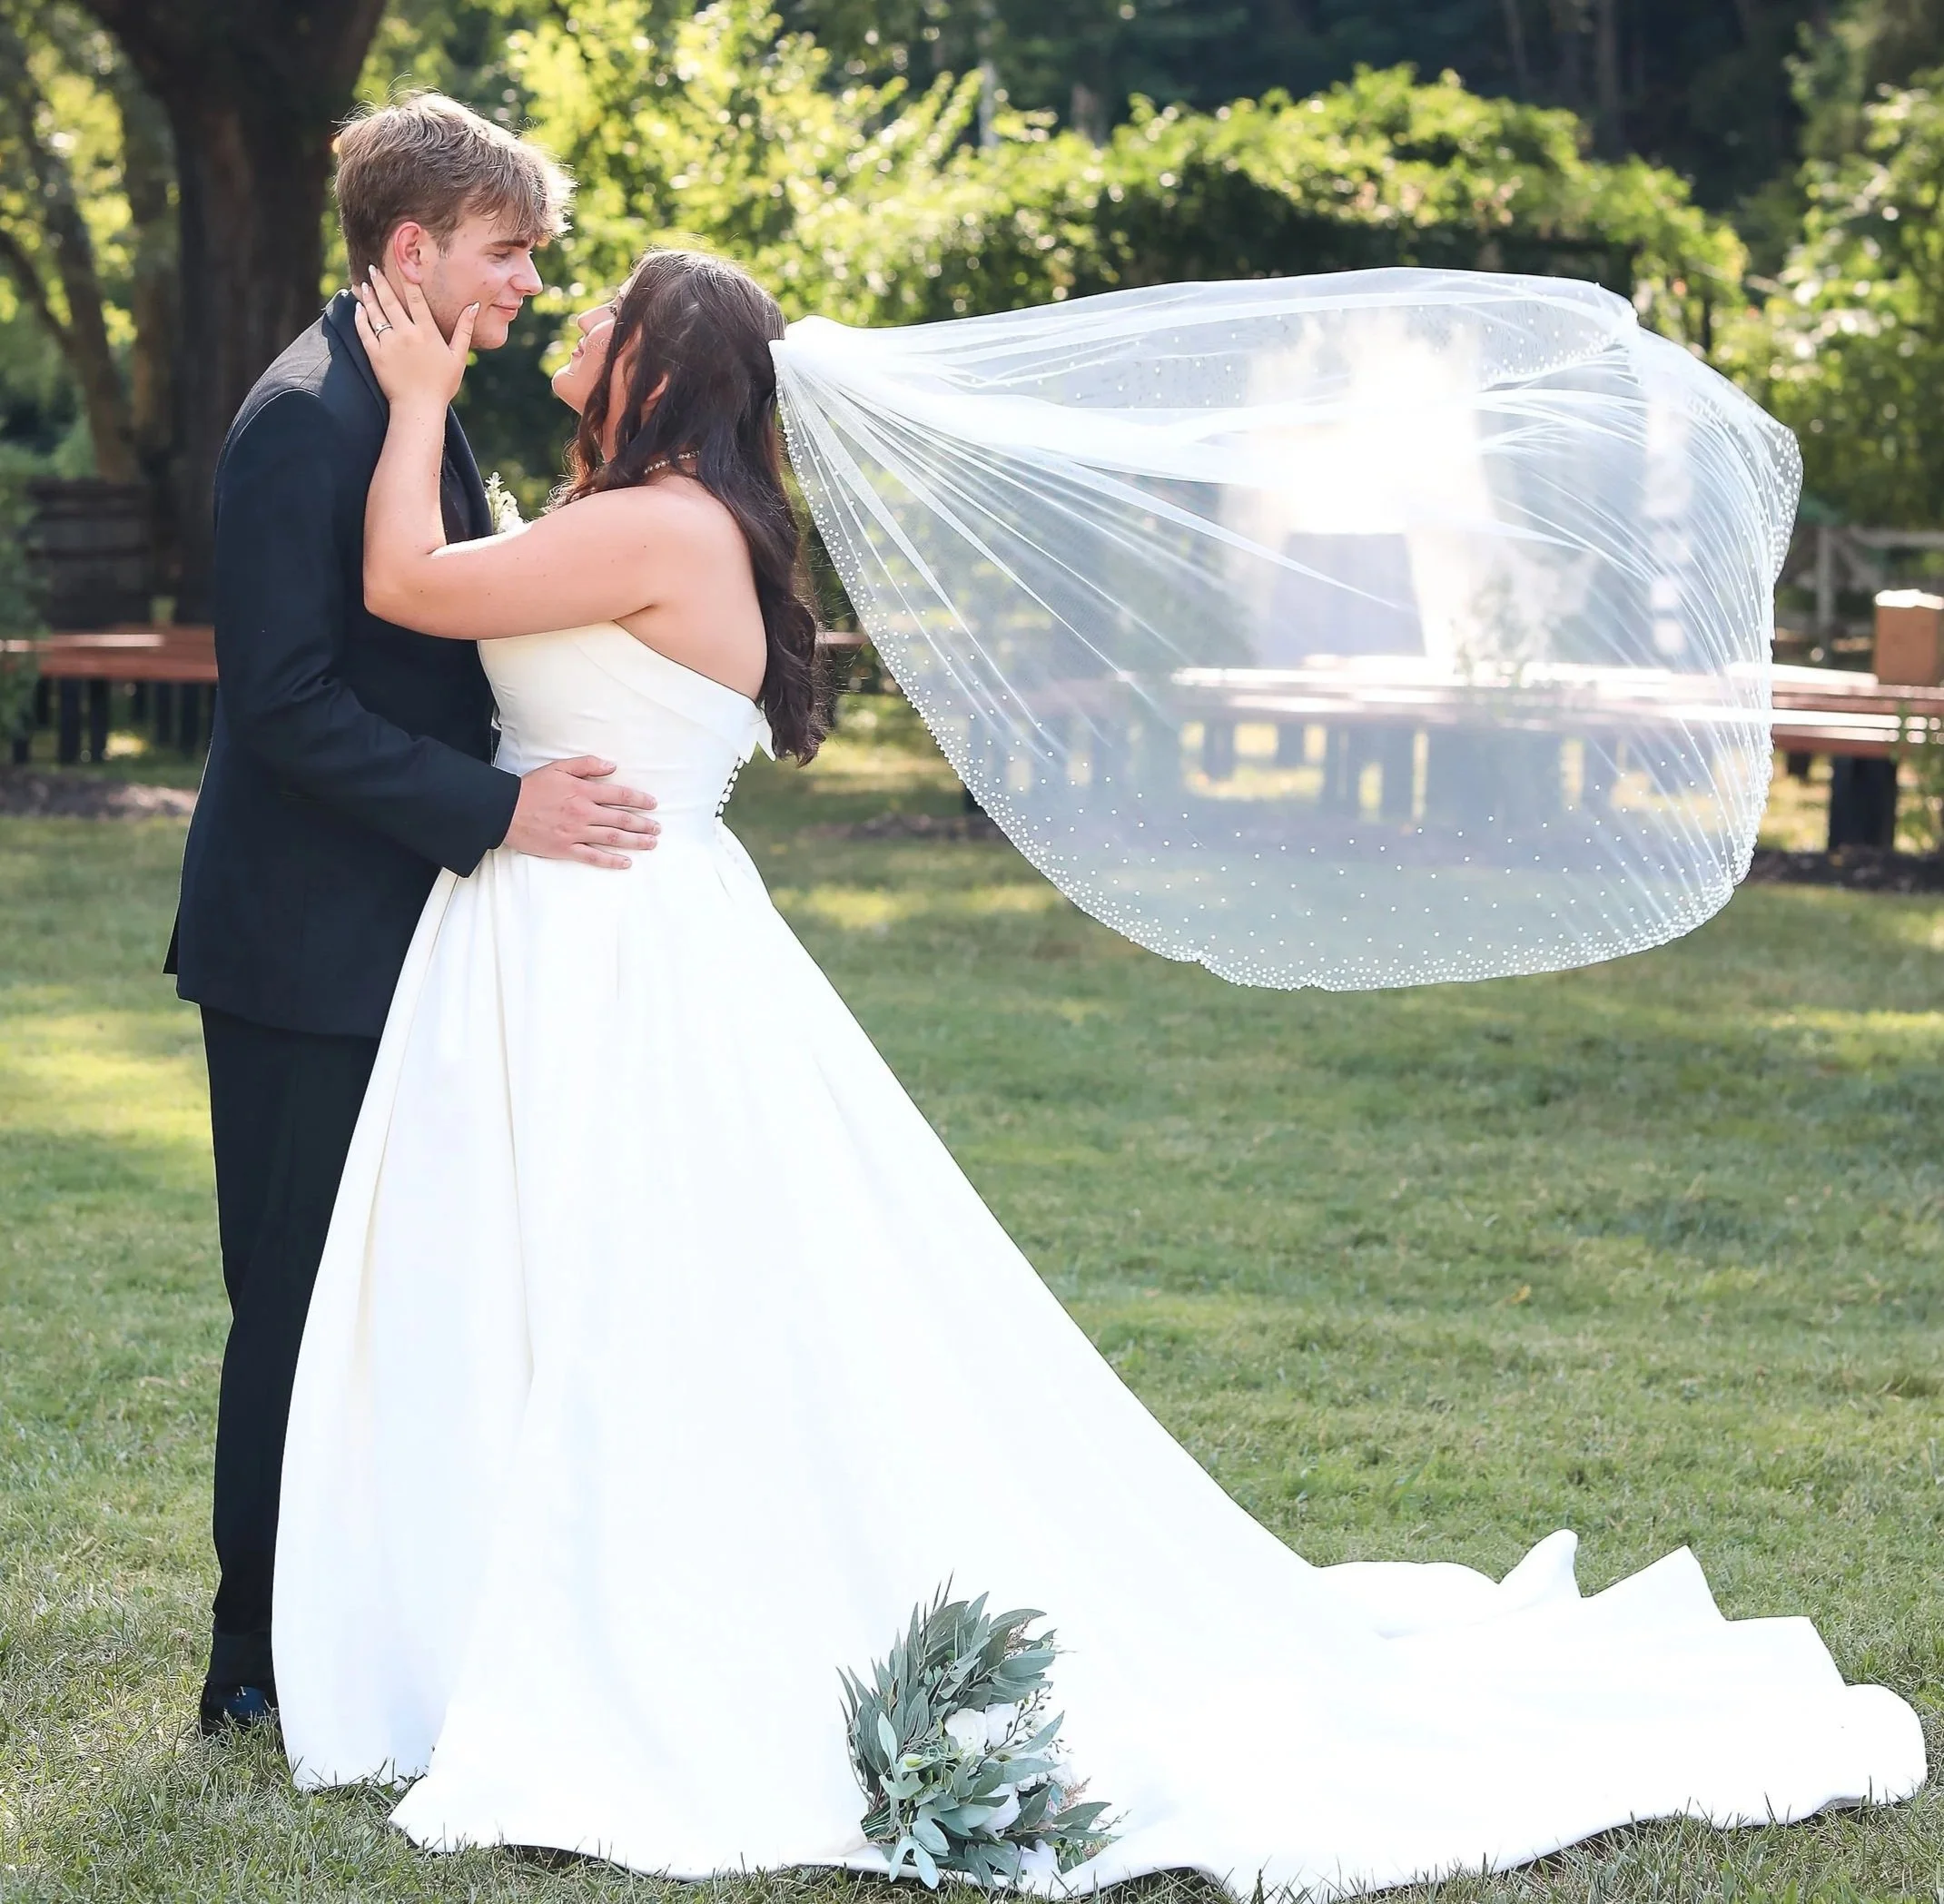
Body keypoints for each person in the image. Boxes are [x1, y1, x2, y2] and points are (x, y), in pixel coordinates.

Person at [265, 243, 1924, 1897]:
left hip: (613, 943)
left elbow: (410, 585)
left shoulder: (661, 525)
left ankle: (651, 1612)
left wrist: (415, 399)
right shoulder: (631, 511)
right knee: (567, 1272)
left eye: (606, 309)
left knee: (651, 1280)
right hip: (561, 927)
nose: (574, 318)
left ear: (661, 365)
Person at [167, 94, 665, 1738]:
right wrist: (504, 810)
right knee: (297, 1299)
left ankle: (379, 1612)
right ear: (412, 248)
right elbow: (291, 705)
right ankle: (253, 1657)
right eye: (508, 251)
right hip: (306, 950)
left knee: (397, 1299)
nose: (526, 281)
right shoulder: (303, 419)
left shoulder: (409, 394)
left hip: (415, 943)